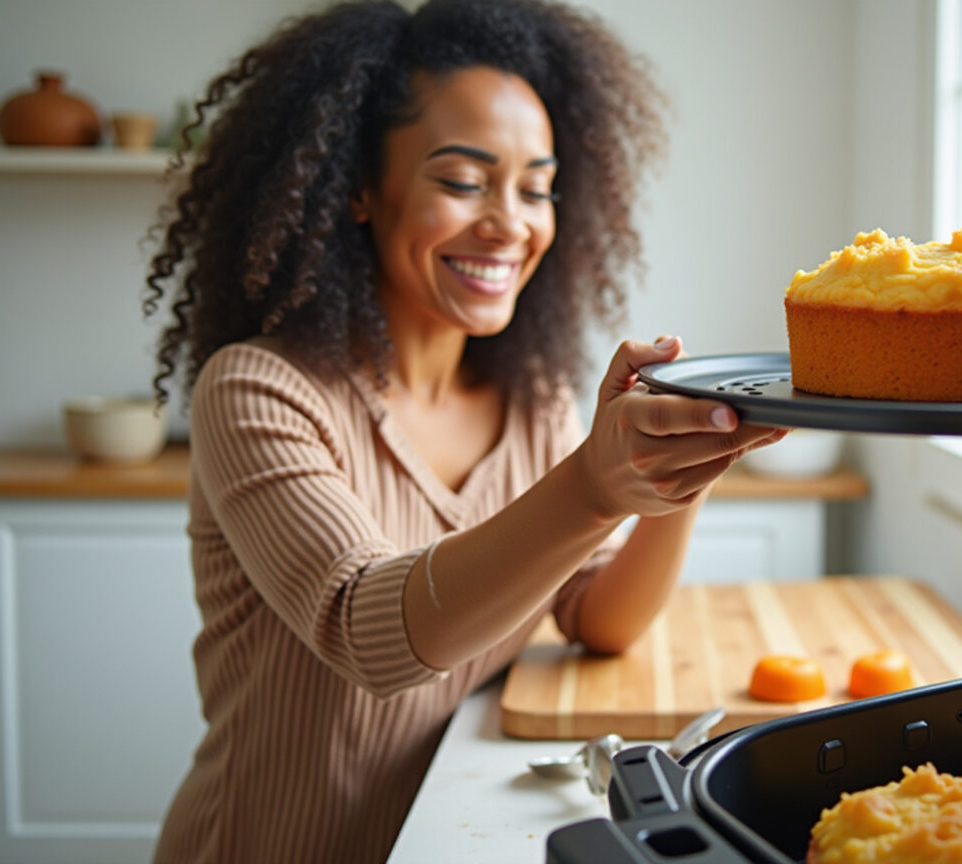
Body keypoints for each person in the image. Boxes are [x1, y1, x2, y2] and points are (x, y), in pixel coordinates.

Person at [141, 1, 784, 861]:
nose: (510, 223)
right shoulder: (257, 392)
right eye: (462, 181)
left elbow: (599, 618)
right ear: (359, 189)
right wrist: (595, 487)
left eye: (536, 187)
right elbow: (368, 633)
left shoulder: (533, 403)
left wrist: (683, 468)